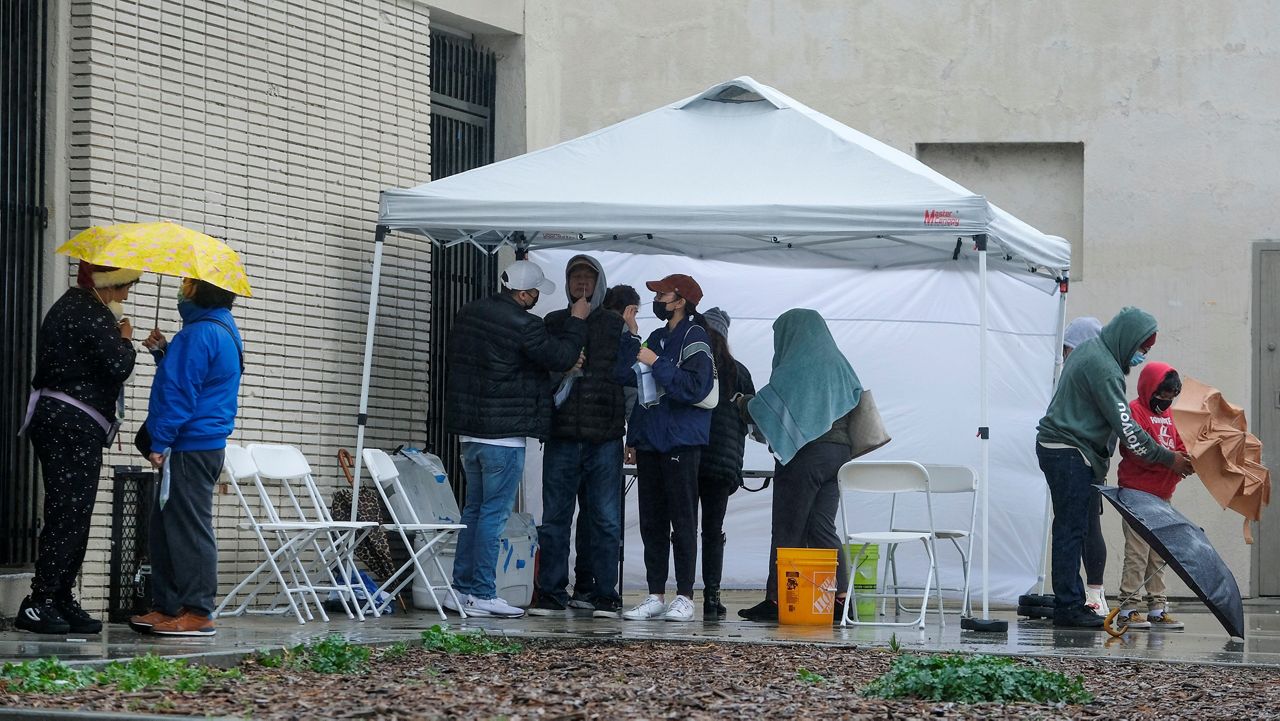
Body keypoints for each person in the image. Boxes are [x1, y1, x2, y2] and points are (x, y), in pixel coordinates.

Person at [442, 260, 588, 618]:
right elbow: (562, 355)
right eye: (536, 293)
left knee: (474, 511)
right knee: (494, 514)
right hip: (503, 437)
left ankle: (459, 591)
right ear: (522, 293)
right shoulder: (525, 324)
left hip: (469, 436)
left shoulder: (469, 313)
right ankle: (482, 592)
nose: (538, 299)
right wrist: (577, 321)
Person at [1036, 307, 1193, 629]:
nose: (1141, 357)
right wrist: (1168, 458)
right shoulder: (1104, 368)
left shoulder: (1093, 353)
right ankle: (1069, 607)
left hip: (1067, 452)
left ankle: (1072, 602)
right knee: (1071, 529)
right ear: (1128, 339)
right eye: (1142, 349)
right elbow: (1128, 429)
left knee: (1073, 527)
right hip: (1069, 452)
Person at [15, 262, 141, 634]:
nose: (126, 294)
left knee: (76, 512)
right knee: (68, 512)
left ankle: (61, 595)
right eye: (123, 286)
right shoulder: (88, 312)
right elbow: (118, 366)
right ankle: (40, 601)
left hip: (69, 423)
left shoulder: (74, 306)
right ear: (107, 282)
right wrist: (126, 339)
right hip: (70, 424)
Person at [128, 278, 243, 636]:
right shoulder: (222, 328)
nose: (181, 288)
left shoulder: (197, 335)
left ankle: (197, 611)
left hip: (188, 446)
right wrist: (164, 353)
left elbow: (180, 393)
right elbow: (199, 380)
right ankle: (169, 606)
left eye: (186, 283)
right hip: (200, 444)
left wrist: (160, 441)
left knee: (188, 529)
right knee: (166, 528)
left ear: (197, 291)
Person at [530, 257, 639, 620]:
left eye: (587, 277)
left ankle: (603, 592)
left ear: (599, 283)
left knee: (605, 518)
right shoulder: (554, 323)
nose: (581, 283)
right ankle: (551, 591)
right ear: (566, 282)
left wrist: (630, 432)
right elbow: (538, 375)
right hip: (561, 435)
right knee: (556, 516)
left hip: (605, 436)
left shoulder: (615, 325)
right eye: (575, 276)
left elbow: (630, 383)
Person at [736, 309, 860, 623]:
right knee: (822, 528)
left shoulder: (796, 367)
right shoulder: (839, 364)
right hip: (839, 455)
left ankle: (778, 600)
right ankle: (842, 598)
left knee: (787, 528)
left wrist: (739, 403)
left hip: (806, 455)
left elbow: (767, 406)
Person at [621, 274, 714, 623]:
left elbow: (695, 388)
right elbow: (632, 380)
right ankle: (655, 594)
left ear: (681, 301)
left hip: (682, 441)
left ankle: (686, 596)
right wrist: (633, 437)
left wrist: (656, 362)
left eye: (663, 293)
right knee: (652, 522)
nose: (657, 299)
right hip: (650, 441)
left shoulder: (695, 337)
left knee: (683, 520)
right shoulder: (657, 337)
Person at [569, 283, 641, 609]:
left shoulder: (580, 326)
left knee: (583, 515)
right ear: (628, 311)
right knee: (606, 518)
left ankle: (582, 586)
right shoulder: (622, 337)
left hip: (574, 433)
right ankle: (605, 593)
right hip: (606, 436)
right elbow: (628, 384)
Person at [1114, 362, 1188, 631]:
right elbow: (1137, 452)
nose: (1165, 402)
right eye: (1162, 395)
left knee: (1158, 553)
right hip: (1137, 492)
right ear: (1149, 388)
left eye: (1171, 397)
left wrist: (1185, 459)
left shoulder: (1169, 416)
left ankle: (1157, 608)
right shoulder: (1134, 411)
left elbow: (1177, 444)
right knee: (1138, 551)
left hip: (1162, 494)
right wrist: (1171, 462)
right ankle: (1128, 608)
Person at [695, 307, 754, 619]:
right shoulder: (738, 371)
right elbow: (753, 416)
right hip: (723, 463)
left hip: (690, 458)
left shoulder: (692, 365)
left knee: (684, 527)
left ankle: (680, 593)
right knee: (713, 530)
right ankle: (712, 597)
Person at [1062, 315, 1111, 617]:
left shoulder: (1096, 375)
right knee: (1079, 527)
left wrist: (1097, 464)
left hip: (1087, 462)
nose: (1065, 355)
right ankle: (1088, 594)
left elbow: (1109, 428)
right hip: (1075, 460)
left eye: (1068, 348)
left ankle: (1095, 593)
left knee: (1089, 526)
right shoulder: (1079, 374)